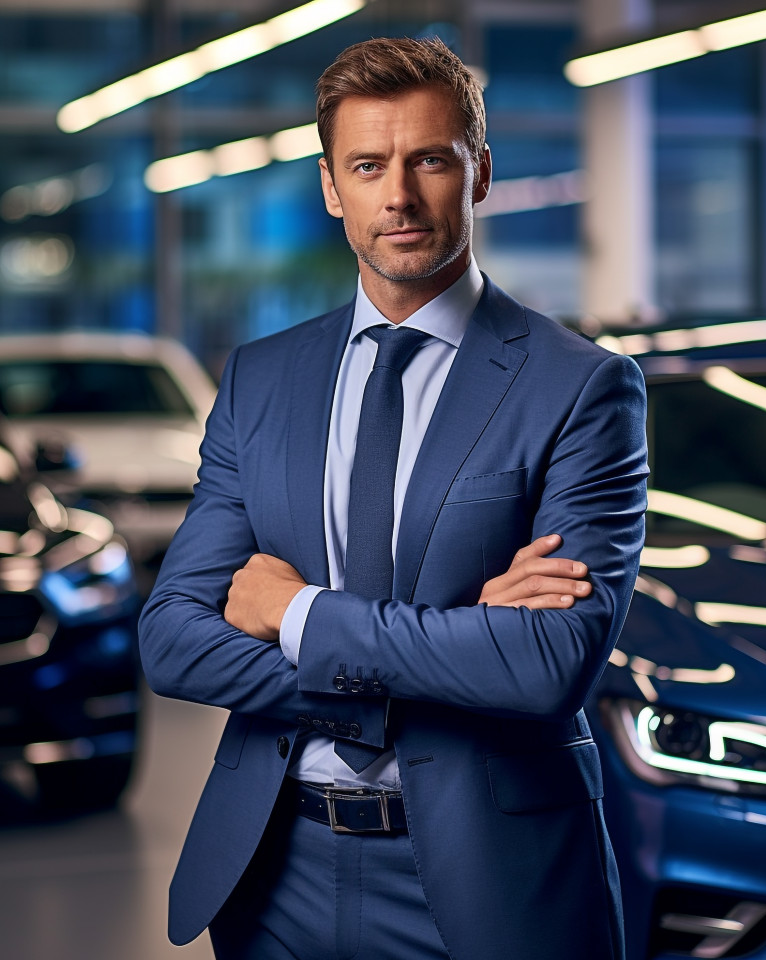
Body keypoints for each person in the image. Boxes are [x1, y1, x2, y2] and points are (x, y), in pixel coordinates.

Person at [139, 36, 648, 960]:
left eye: (430, 162)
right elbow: (173, 637)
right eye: (368, 166)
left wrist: (293, 613)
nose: (399, 197)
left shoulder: (581, 388)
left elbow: (547, 665)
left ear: (479, 172)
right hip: (275, 866)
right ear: (333, 188)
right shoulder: (263, 379)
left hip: (487, 878)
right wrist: (442, 658)